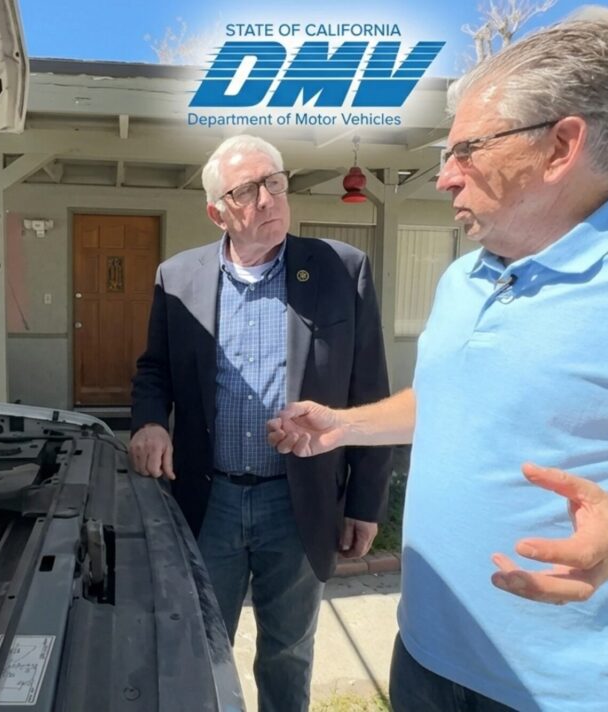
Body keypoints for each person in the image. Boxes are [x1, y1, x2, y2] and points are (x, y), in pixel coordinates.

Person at [268, 12, 608, 712]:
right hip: (426, 658)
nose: (443, 177)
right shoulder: (466, 276)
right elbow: (453, 397)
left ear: (561, 146)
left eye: (468, 149)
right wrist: (345, 425)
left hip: (571, 692)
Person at [129, 134, 391, 712]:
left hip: (297, 502)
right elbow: (155, 372)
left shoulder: (340, 271)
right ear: (216, 210)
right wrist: (150, 422)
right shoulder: (179, 279)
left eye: (275, 182)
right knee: (201, 646)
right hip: (210, 499)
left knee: (288, 652)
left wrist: (366, 503)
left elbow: (369, 389)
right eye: (247, 190)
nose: (268, 199)